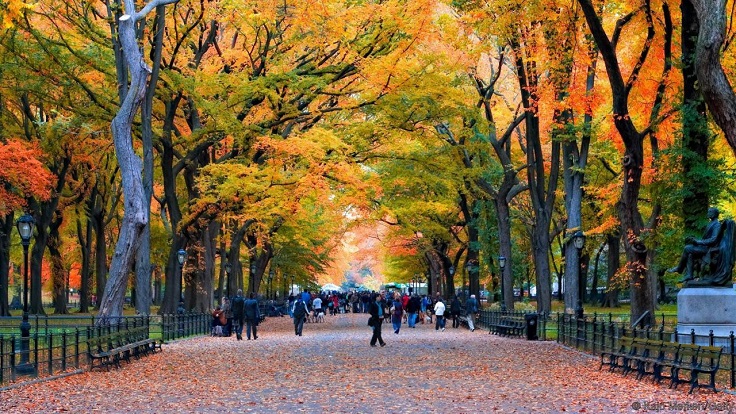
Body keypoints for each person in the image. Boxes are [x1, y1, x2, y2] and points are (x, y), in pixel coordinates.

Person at [668, 207, 721, 282]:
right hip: (705, 247)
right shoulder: (711, 223)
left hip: (709, 248)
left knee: (687, 248)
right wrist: (695, 240)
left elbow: (713, 239)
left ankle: (679, 268)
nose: (708, 213)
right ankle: (689, 275)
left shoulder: (717, 225)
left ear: (715, 214)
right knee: (690, 254)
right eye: (708, 211)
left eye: (710, 212)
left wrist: (698, 242)